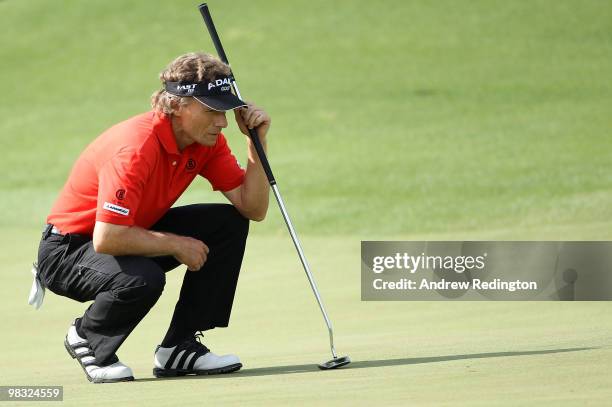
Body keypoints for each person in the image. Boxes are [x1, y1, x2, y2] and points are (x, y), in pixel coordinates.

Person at [30, 52, 271, 383]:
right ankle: (88, 337)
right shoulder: (136, 146)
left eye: (225, 111)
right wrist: (176, 244)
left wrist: (255, 143)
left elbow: (252, 208)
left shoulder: (205, 142)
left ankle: (179, 348)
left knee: (227, 224)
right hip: (67, 251)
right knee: (143, 277)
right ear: (177, 105)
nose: (222, 122)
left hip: (126, 233)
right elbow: (107, 237)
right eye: (211, 110)